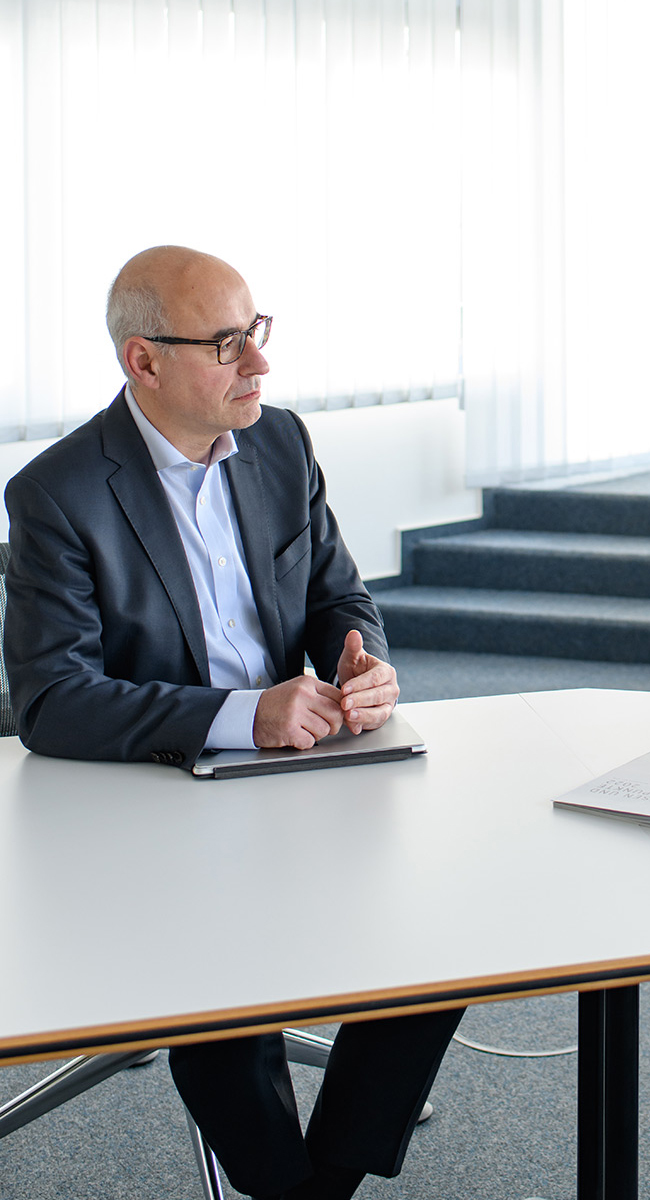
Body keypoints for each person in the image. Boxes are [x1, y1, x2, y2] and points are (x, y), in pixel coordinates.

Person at [3, 246, 462, 1200]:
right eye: (226, 345)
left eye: (257, 333)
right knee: (223, 1002)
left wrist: (359, 661)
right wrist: (241, 715)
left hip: (304, 777)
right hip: (153, 804)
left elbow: (341, 594)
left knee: (445, 937)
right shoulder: (58, 494)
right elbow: (50, 701)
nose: (258, 364)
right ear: (144, 361)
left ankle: (318, 1181)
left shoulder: (282, 443)